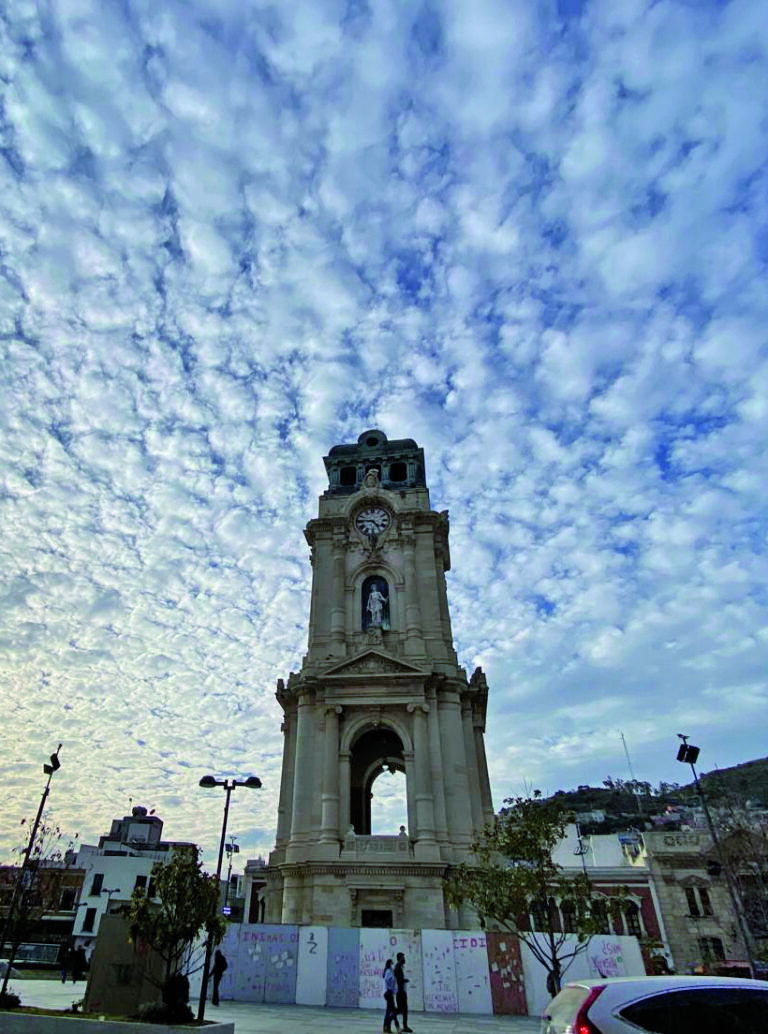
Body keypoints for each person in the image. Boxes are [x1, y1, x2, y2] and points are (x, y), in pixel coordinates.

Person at [394, 952, 413, 1033]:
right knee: (400, 1009)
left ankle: (405, 1026)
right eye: (403, 958)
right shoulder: (397, 967)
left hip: (402, 991)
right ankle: (390, 1018)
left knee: (404, 1010)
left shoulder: (400, 967)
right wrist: (405, 980)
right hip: (400, 992)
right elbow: (398, 980)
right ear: (400, 958)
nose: (404, 959)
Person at [382, 958, 400, 1034]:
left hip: (389, 993)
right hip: (389, 993)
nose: (393, 965)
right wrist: (390, 988)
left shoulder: (389, 971)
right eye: (392, 963)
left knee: (389, 1011)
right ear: (389, 964)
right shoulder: (389, 971)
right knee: (393, 1011)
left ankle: (386, 1027)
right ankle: (394, 1027)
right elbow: (388, 980)